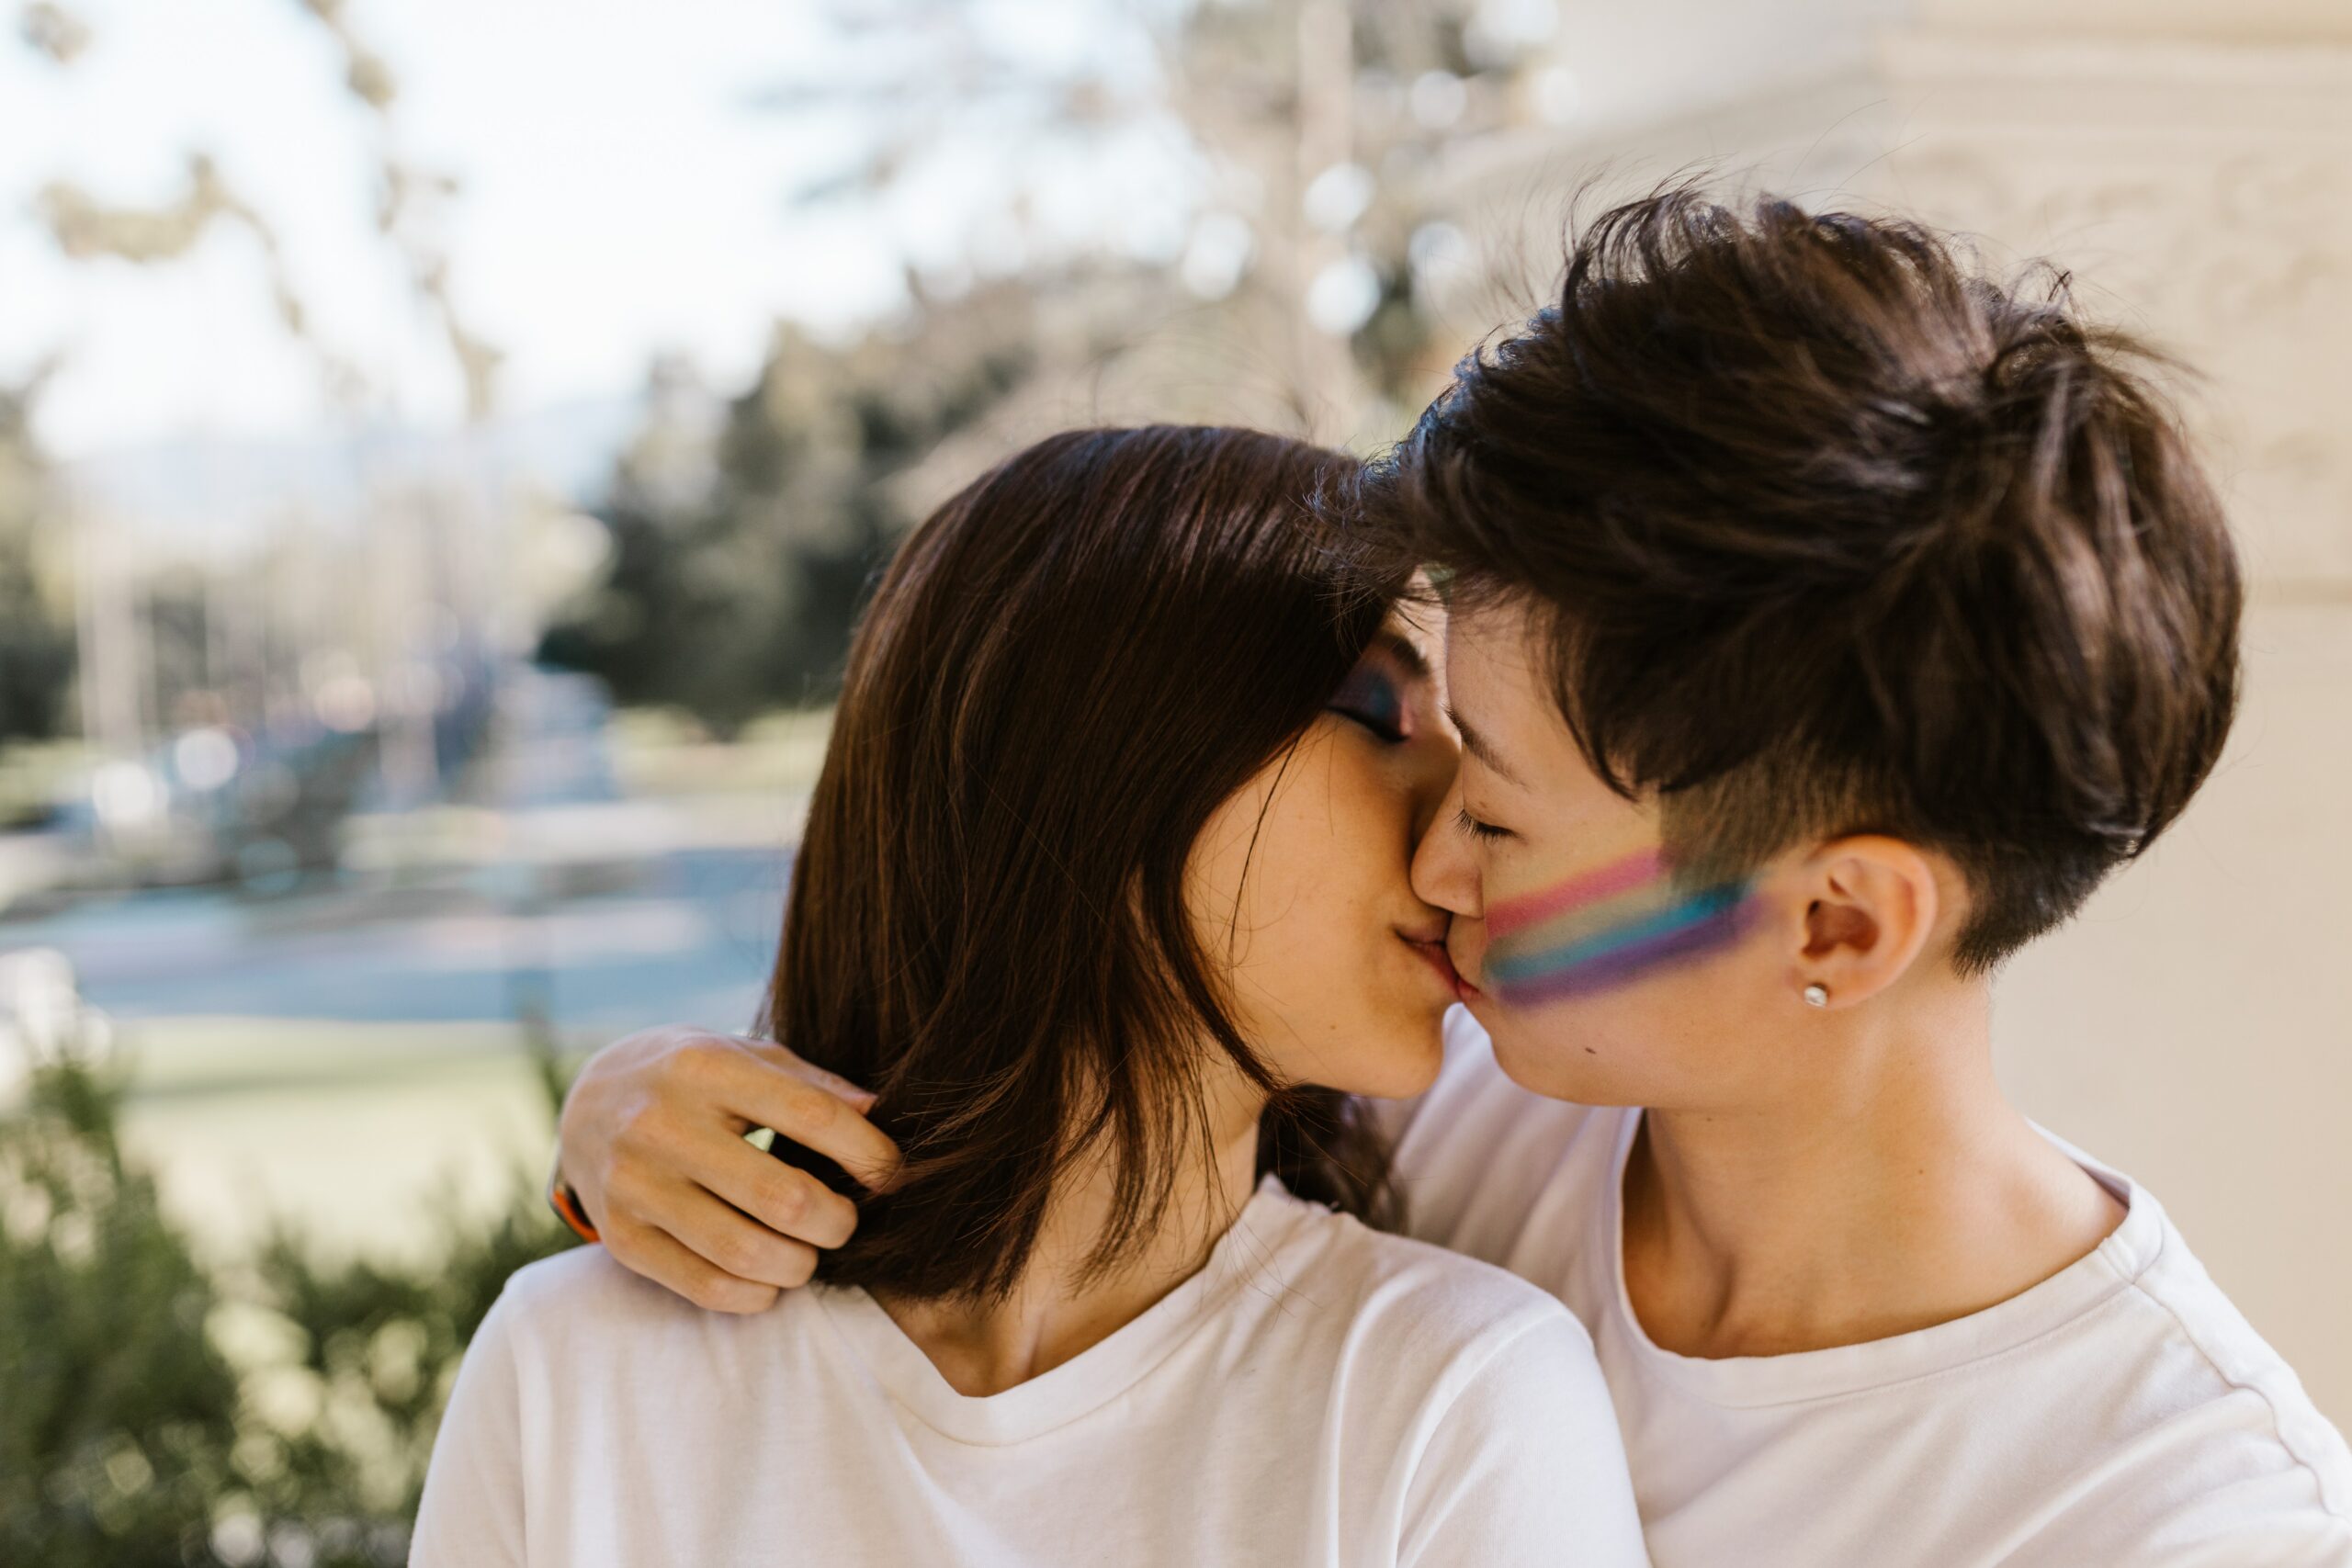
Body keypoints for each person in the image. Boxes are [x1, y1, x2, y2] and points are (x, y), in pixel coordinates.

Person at [545, 185, 2352, 1566]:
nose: (1422, 860)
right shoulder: (1452, 1095)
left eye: (1492, 812)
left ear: (1833, 919)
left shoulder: (2178, 1516)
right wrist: (654, 1113)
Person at [412, 424, 1651, 1567]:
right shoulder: (575, 1370)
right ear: (1098, 751)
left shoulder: (1457, 1400)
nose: (1465, 830)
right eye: (1381, 709)